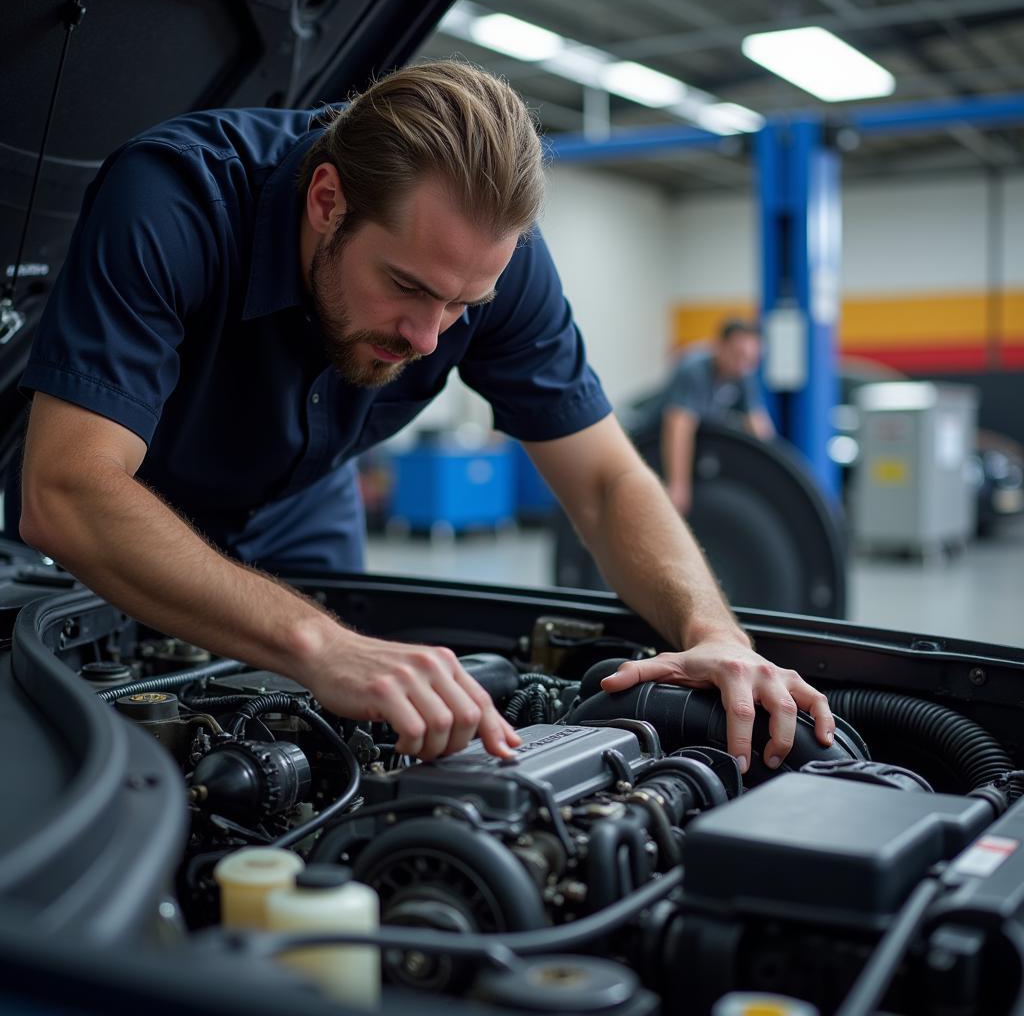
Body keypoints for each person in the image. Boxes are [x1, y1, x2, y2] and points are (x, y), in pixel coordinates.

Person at [13, 61, 833, 770]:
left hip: (301, 503)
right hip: (124, 512)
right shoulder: (173, 198)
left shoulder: (495, 269)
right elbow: (70, 488)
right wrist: (320, 644)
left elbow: (608, 481)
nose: (428, 334)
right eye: (406, 286)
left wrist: (713, 630)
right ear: (326, 199)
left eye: (463, 305)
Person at [662, 319, 775, 515]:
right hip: (658, 442)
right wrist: (678, 485)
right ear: (720, 347)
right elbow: (679, 427)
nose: (743, 365)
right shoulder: (693, 369)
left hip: (698, 446)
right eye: (738, 355)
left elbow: (757, 423)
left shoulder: (743, 375)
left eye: (750, 359)